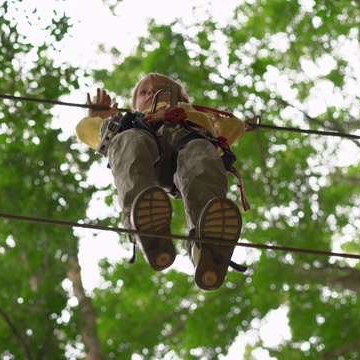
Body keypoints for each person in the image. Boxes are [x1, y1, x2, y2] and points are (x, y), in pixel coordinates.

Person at [76, 73, 248, 291]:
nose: (151, 92)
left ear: (181, 99)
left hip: (187, 146)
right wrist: (97, 116)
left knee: (201, 154)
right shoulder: (128, 120)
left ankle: (205, 245)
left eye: (160, 88)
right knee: (126, 141)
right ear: (135, 102)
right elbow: (86, 131)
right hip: (144, 146)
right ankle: (143, 224)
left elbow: (232, 128)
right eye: (143, 91)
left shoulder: (194, 116)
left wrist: (226, 125)